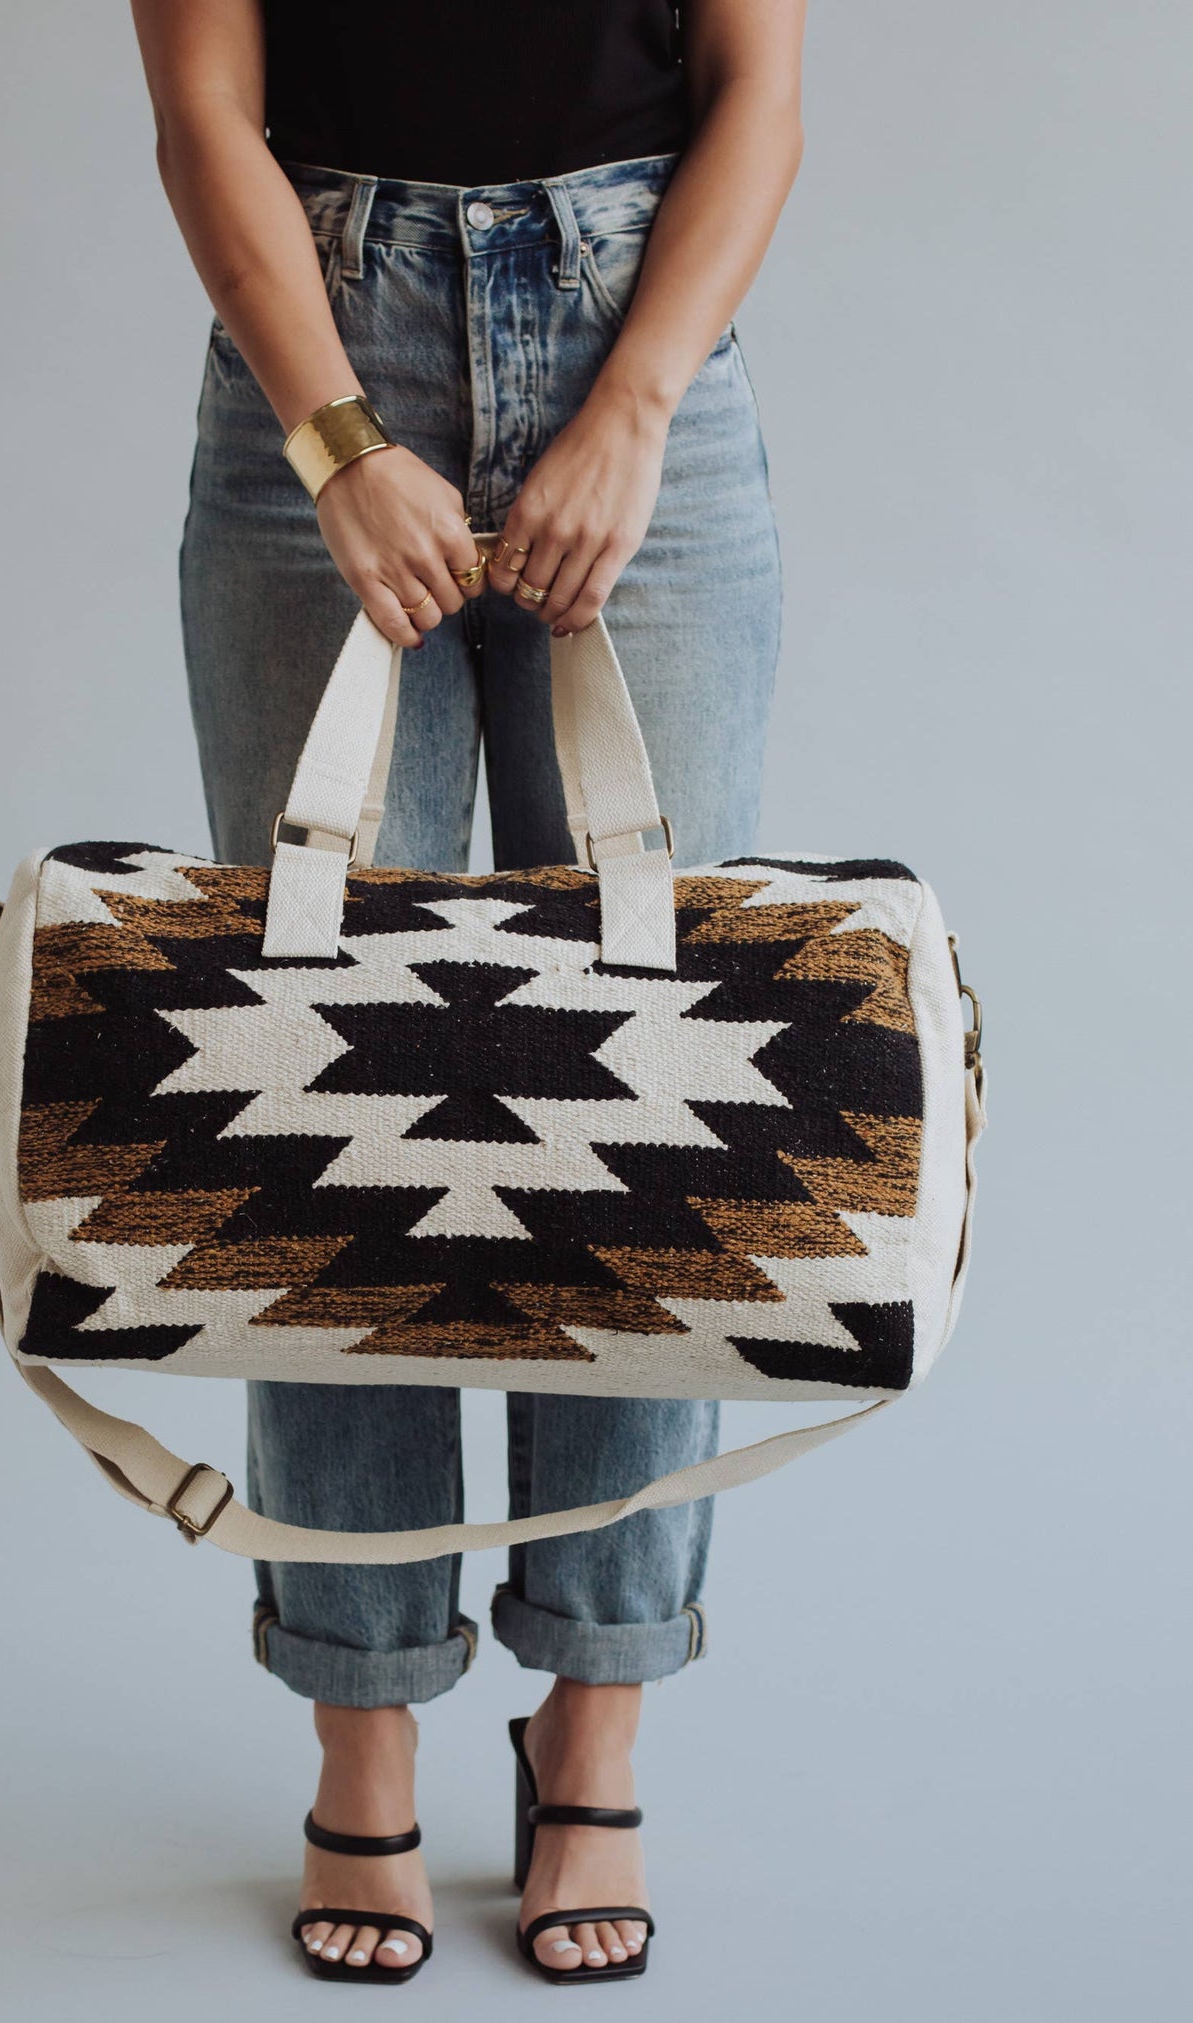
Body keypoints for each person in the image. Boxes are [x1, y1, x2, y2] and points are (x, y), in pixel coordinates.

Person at [130, 0, 805, 1985]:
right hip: (317, 355)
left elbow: (757, 83)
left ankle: (593, 1722)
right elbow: (202, 109)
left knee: (648, 1094)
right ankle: (361, 1727)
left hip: (639, 328)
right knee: (324, 1083)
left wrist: (635, 399)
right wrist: (340, 435)